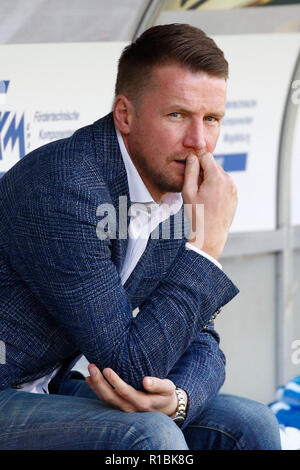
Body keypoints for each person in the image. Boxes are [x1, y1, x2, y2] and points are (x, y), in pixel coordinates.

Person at [0, 23, 281, 450]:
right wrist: (205, 248)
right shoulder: (65, 190)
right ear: (125, 114)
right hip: (10, 387)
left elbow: (199, 337)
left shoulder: (171, 189)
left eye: (211, 119)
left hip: (43, 387)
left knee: (249, 424)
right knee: (147, 437)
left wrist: (179, 399)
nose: (198, 143)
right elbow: (128, 366)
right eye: (177, 115)